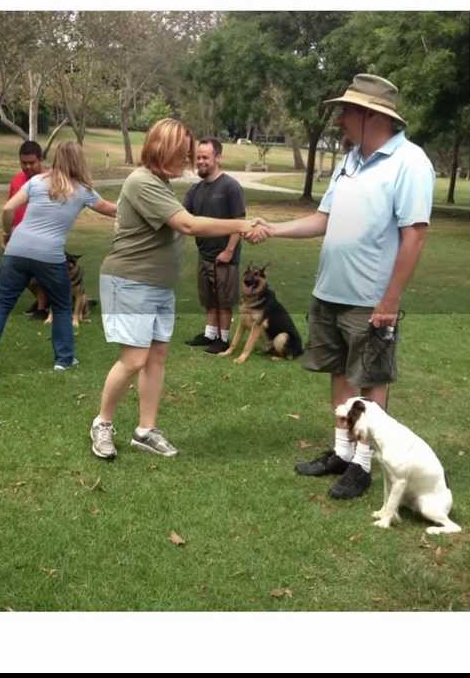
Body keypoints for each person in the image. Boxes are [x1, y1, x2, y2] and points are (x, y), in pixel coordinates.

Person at [246, 74, 434, 499]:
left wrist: (390, 300)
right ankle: (341, 453)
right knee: (339, 373)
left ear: (372, 115)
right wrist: (272, 229)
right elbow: (322, 219)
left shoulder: (410, 163)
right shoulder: (350, 160)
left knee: (370, 382)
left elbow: (415, 235)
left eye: (347, 111)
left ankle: (364, 467)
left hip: (371, 301)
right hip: (329, 293)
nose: (340, 119)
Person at [88, 118, 260, 461]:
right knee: (134, 358)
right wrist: (241, 224)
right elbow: (188, 224)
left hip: (157, 284)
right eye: (182, 153)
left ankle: (146, 430)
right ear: (163, 149)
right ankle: (102, 423)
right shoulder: (142, 182)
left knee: (156, 357)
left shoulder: (161, 184)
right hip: (130, 281)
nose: (186, 159)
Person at [0, 141, 117, 372]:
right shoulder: (83, 191)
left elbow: (7, 209)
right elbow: (112, 209)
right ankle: (63, 360)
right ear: (79, 161)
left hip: (17, 250)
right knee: (63, 305)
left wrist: (7, 234)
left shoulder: (36, 181)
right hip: (50, 255)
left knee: (2, 304)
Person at [181, 137, 246, 354]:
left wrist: (228, 251)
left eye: (205, 157)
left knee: (223, 300)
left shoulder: (230, 187)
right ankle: (210, 334)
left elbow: (240, 222)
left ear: (217, 158)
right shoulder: (195, 190)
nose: (200, 161)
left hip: (225, 256)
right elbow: (181, 216)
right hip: (204, 254)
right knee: (209, 298)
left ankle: (224, 339)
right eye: (198, 157)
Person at [5, 141, 51, 320]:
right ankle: (42, 301)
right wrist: (8, 234)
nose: (27, 167)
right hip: (19, 235)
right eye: (23, 163)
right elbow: (11, 207)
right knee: (26, 277)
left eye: (32, 162)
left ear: (40, 160)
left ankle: (44, 307)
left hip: (44, 236)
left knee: (43, 275)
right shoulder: (17, 180)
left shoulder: (51, 180)